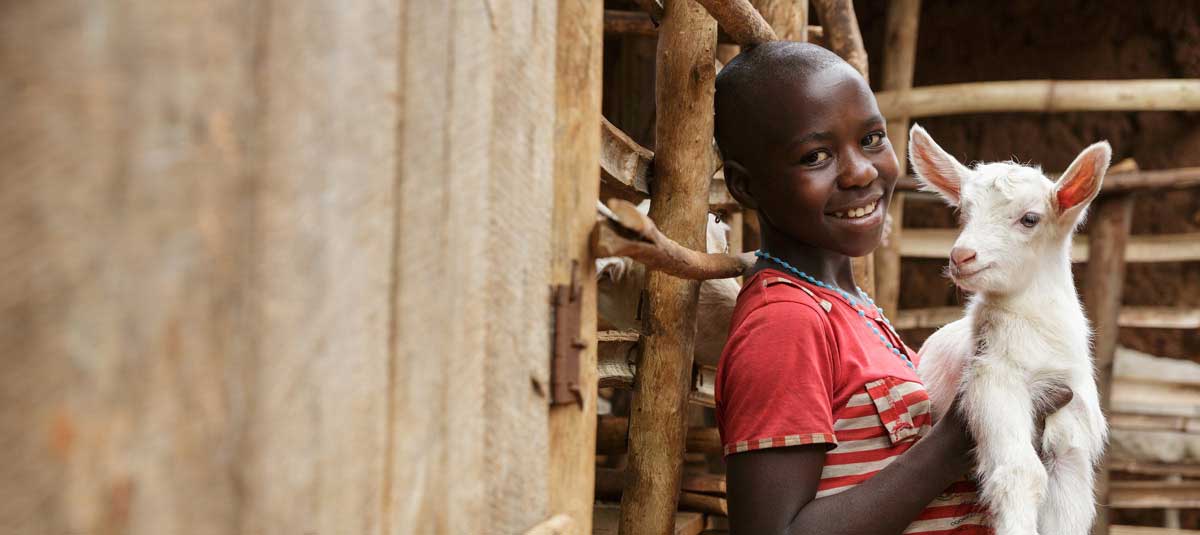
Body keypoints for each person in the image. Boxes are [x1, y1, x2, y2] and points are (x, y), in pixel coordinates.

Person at [713, 42, 1071, 534]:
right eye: (815, 155)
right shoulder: (786, 323)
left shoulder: (852, 311)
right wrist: (956, 442)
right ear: (745, 188)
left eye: (872, 138)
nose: (861, 171)